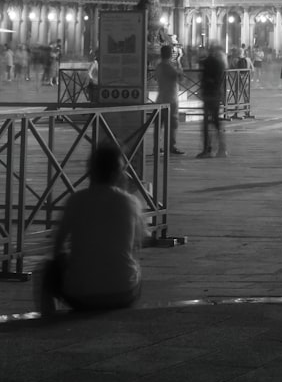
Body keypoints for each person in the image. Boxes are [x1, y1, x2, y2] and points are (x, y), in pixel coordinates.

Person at [34, 144, 145, 315]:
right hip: (123, 292)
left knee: (45, 270)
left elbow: (57, 246)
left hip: (81, 295)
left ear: (90, 171)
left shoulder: (75, 200)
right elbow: (137, 244)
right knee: (134, 265)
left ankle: (48, 319)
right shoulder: (131, 202)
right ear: (119, 172)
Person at [197, 43, 227, 158]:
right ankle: (222, 148)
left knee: (207, 123)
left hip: (209, 94)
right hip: (216, 94)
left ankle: (207, 149)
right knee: (215, 122)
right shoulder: (220, 63)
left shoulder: (208, 62)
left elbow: (204, 78)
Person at [155, 44, 184, 155]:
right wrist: (179, 61)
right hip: (171, 99)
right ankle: (171, 146)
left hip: (160, 98)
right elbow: (180, 77)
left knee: (159, 125)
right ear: (170, 54)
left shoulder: (159, 66)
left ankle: (156, 147)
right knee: (172, 124)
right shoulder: (169, 67)